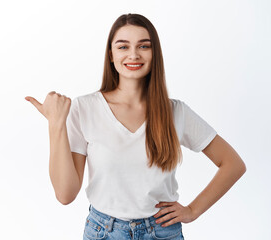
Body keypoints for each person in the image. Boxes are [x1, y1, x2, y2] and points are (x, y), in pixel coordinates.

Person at [25, 13, 246, 240]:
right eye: (123, 47)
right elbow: (65, 194)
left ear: (154, 53)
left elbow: (233, 164)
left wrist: (192, 210)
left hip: (162, 231)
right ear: (111, 55)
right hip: (104, 232)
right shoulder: (85, 108)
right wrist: (56, 124)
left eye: (144, 46)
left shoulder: (175, 112)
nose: (133, 54)